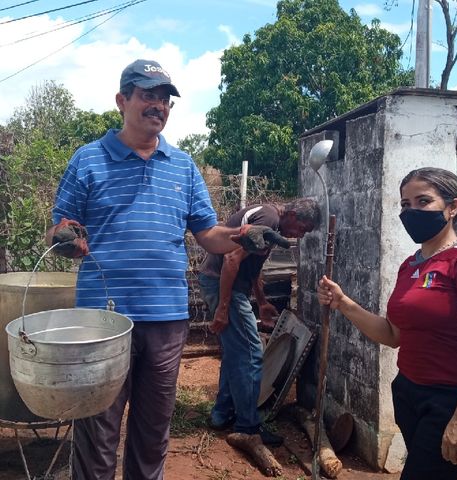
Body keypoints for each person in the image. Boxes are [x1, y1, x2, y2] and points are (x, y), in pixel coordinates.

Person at [45, 59, 283, 480]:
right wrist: (65, 236)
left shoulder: (183, 165)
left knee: (153, 431)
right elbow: (58, 228)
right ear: (122, 100)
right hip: (101, 321)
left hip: (166, 319)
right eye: (147, 95)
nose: (157, 105)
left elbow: (208, 234)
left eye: (164, 98)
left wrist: (243, 236)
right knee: (98, 430)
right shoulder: (88, 160)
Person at [317, 167, 457, 480]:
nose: (411, 211)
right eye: (405, 204)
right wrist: (343, 303)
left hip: (453, 399)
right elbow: (392, 335)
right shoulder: (410, 265)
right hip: (409, 393)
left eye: (423, 202)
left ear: (452, 207)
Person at [198, 198, 321, 445]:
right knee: (251, 355)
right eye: (302, 229)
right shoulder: (269, 219)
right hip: (225, 286)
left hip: (228, 285)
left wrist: (262, 302)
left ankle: (222, 414)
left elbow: (252, 267)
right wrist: (223, 308)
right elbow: (232, 259)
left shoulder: (272, 224)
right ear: (294, 215)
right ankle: (248, 426)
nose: (299, 236)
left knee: (236, 353)